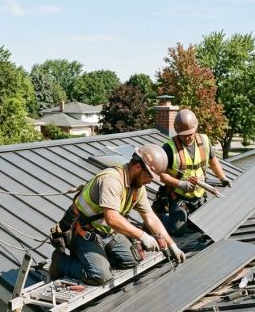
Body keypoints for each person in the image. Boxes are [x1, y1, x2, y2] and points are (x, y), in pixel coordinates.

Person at [50, 144, 186, 285]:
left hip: (108, 233)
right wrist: (143, 236)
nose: (149, 182)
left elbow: (150, 217)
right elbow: (112, 219)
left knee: (132, 260)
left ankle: (99, 258)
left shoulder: (138, 188)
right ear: (138, 167)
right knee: (101, 276)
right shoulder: (112, 180)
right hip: (84, 233)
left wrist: (172, 245)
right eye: (149, 176)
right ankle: (60, 262)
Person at [160, 109, 230, 236]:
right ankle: (161, 218)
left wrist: (223, 178)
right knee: (176, 231)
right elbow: (162, 175)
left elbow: (213, 161)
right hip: (179, 196)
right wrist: (180, 184)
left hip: (199, 195)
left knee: (203, 228)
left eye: (190, 134)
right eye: (183, 135)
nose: (187, 138)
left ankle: (190, 218)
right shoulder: (169, 148)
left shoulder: (204, 141)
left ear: (196, 128)